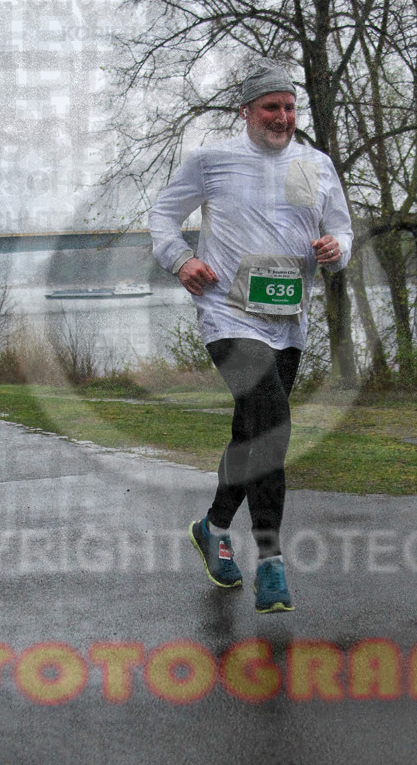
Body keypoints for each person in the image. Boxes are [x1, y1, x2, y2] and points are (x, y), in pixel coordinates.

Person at [148, 64, 353, 612]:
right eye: (270, 107)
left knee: (253, 431)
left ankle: (212, 526)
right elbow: (163, 218)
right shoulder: (211, 161)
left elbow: (342, 229)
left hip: (288, 320)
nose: (283, 117)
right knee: (274, 423)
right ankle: (271, 564)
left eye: (289, 107)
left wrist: (337, 249)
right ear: (246, 111)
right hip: (226, 314)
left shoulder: (316, 164)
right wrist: (181, 259)